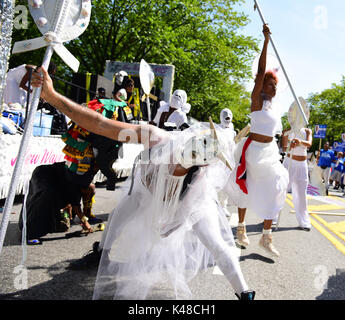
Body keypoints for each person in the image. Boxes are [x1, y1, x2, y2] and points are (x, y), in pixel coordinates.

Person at [31, 66, 255, 300]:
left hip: (187, 205)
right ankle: (101, 253)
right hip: (143, 194)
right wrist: (52, 96)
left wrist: (173, 223)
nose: (176, 167)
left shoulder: (197, 186)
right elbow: (100, 124)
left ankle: (245, 292)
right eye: (175, 162)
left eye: (181, 170)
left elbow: (172, 222)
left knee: (215, 243)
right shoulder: (154, 136)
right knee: (118, 218)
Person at [224, 24, 289, 257]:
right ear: (262, 85)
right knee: (246, 187)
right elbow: (262, 71)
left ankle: (266, 236)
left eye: (275, 84)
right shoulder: (256, 100)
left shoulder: (274, 107)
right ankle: (241, 229)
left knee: (277, 185)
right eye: (269, 83)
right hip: (252, 151)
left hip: (269, 152)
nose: (272, 86)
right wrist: (266, 41)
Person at [282, 126, 312, 231]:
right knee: (281, 190)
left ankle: (304, 222)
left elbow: (309, 144)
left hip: (302, 165)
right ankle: (271, 218)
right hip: (289, 163)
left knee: (301, 194)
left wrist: (299, 142)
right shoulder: (287, 130)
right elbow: (284, 147)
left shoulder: (308, 131)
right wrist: (290, 144)